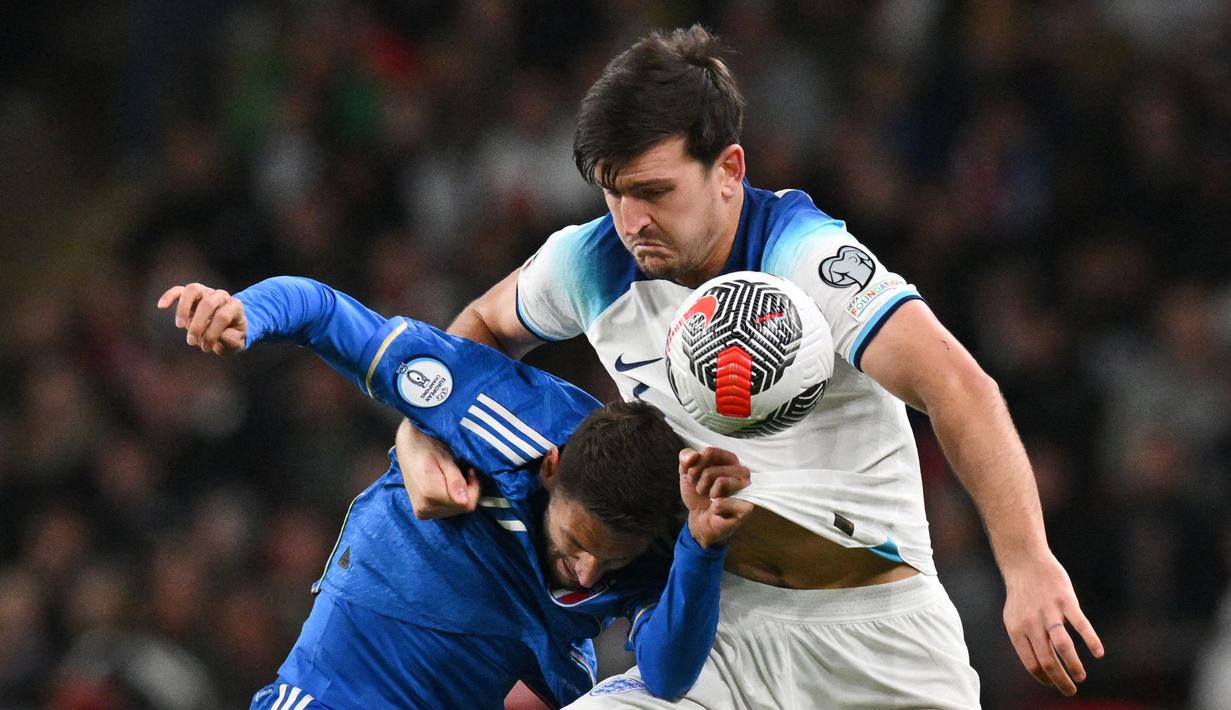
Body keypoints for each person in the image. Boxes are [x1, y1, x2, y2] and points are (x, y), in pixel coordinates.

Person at [394, 25, 1105, 708]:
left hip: (878, 639)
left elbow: (957, 387)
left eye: (654, 190)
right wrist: (419, 434)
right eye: (613, 192)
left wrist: (1027, 563)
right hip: (718, 634)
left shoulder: (806, 257)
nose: (630, 219)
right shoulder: (590, 261)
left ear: (728, 169)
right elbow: (479, 328)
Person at [159, 277, 753, 709]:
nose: (590, 574)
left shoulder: (657, 535)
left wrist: (701, 551)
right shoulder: (493, 408)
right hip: (338, 689)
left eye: (612, 558)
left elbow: (669, 675)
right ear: (550, 468)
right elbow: (322, 311)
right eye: (575, 544)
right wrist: (245, 312)